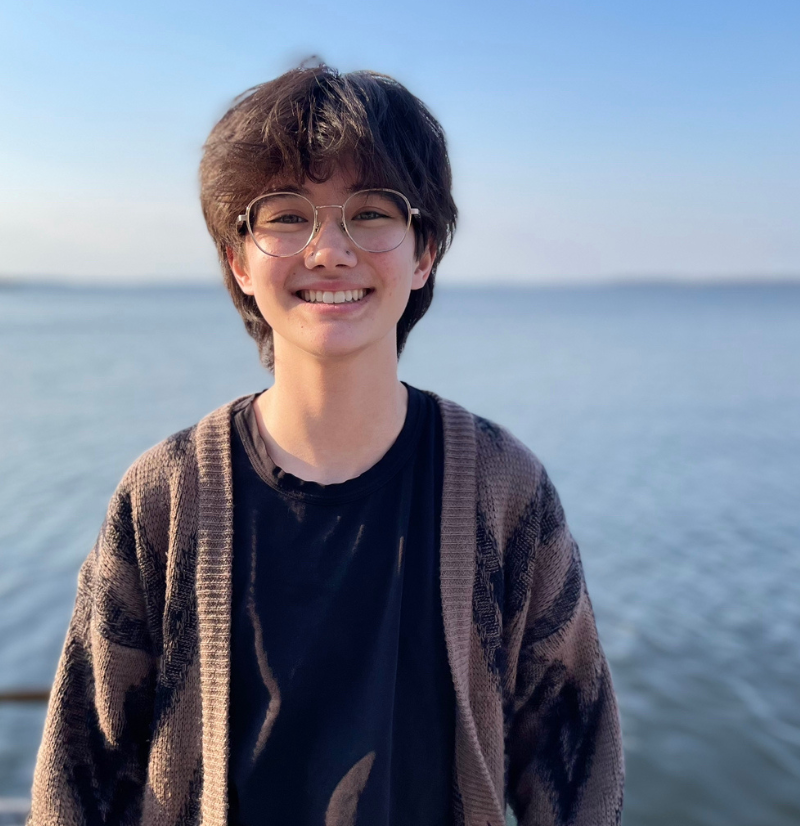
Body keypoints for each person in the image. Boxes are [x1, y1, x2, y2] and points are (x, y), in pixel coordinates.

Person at [27, 64, 624, 826]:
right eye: (285, 215)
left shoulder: (502, 490)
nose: (329, 250)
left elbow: (575, 756)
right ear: (239, 262)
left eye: (371, 212)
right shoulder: (165, 498)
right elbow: (81, 774)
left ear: (425, 251)